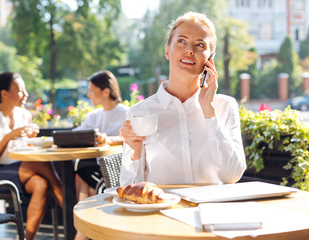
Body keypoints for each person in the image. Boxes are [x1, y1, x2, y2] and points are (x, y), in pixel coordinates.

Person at [119, 11, 246, 186]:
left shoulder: (225, 106)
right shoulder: (139, 113)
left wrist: (209, 111)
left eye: (200, 44)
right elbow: (128, 186)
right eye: (181, 41)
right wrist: (135, 152)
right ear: (167, 51)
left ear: (210, 59)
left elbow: (232, 175)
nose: (189, 50)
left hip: (211, 210)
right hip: (161, 210)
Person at [0, 72, 63, 240]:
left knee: (41, 184)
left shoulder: (25, 115)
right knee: (43, 166)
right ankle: (72, 213)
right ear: (4, 93)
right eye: (21, 90)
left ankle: (25, 239)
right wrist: (8, 137)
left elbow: (27, 149)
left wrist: (32, 139)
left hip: (22, 168)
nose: (26, 94)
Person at [73, 70, 128, 240]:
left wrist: (108, 140)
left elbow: (131, 137)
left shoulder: (126, 113)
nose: (88, 95)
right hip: (95, 168)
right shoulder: (93, 115)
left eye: (91, 90)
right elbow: (75, 134)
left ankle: (83, 230)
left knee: (83, 176)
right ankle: (86, 229)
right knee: (81, 171)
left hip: (117, 171)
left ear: (106, 91)